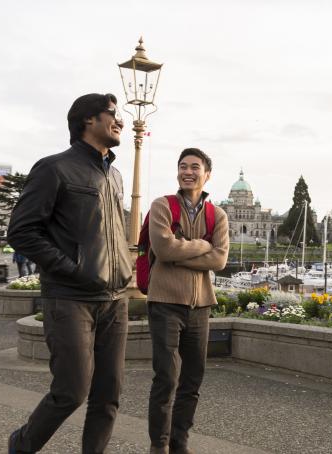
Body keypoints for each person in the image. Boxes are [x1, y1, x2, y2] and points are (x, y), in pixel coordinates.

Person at [6, 93, 132, 454]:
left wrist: (122, 271)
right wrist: (72, 270)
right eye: (112, 114)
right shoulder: (54, 168)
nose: (119, 120)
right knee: (71, 392)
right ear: (87, 121)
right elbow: (22, 232)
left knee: (109, 395)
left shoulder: (116, 175)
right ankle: (21, 444)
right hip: (69, 297)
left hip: (114, 300)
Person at [147, 148, 229, 454]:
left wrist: (180, 252)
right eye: (183, 166)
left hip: (201, 305)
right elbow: (164, 250)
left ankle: (180, 443)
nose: (188, 171)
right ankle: (160, 445)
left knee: (192, 380)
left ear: (207, 174)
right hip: (165, 301)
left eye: (195, 167)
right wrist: (201, 247)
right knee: (166, 378)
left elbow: (219, 259)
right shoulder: (162, 206)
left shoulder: (217, 214)